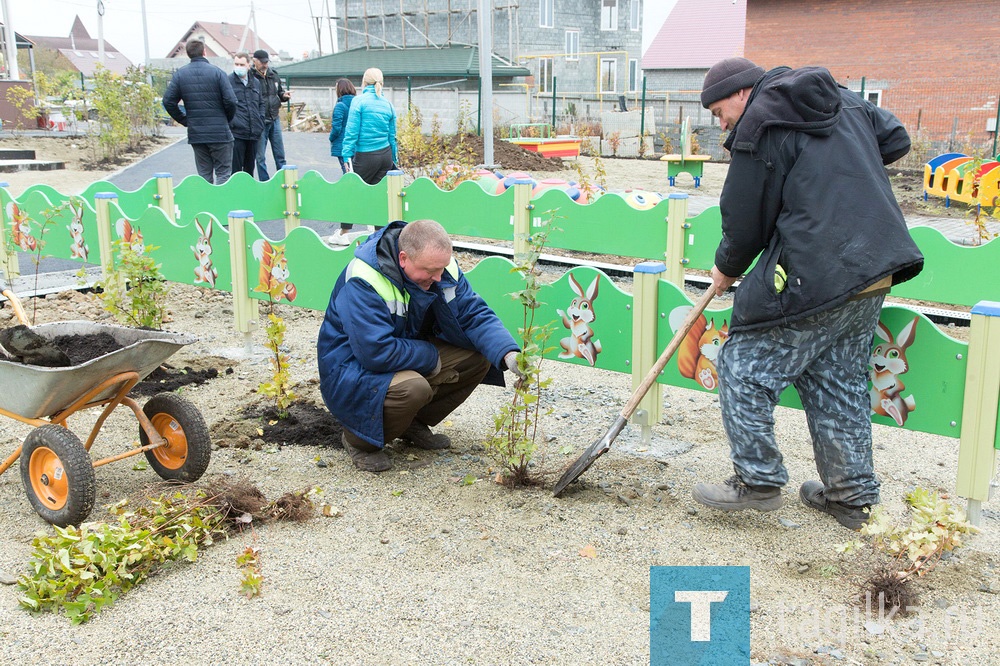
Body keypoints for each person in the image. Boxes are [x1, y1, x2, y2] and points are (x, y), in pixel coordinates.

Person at [690, 57, 924, 530]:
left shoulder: (761, 119)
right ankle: (850, 497)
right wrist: (841, 171)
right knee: (835, 378)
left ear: (742, 92)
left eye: (719, 111)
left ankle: (757, 481)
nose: (722, 123)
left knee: (744, 364)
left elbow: (745, 213)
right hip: (876, 263)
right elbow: (896, 138)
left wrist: (725, 269)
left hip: (819, 269)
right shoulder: (840, 98)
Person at [317, 219, 522, 473]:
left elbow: (472, 314)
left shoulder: (439, 268)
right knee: (413, 388)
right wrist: (430, 356)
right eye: (429, 271)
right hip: (350, 371)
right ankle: (359, 441)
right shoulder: (364, 279)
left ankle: (410, 423)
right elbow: (375, 352)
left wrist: (508, 354)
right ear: (403, 258)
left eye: (442, 269)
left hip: (402, 354)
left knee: (479, 356)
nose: (438, 278)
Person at [162, 39, 238, 185]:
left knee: (204, 175)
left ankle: (207, 205)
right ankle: (221, 205)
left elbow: (168, 101)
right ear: (204, 52)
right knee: (223, 174)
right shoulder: (218, 73)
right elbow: (231, 101)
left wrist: (184, 120)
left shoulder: (180, 75)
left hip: (197, 133)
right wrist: (226, 119)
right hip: (220, 132)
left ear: (188, 54)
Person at [340, 67, 398, 186]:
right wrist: (394, 159)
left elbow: (351, 133)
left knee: (355, 192)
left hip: (366, 156)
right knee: (378, 195)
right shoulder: (388, 104)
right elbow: (392, 136)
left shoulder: (358, 102)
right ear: (382, 83)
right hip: (385, 156)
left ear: (364, 82)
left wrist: (346, 157)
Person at [251, 49, 291, 181]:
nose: (265, 65)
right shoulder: (251, 77)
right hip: (260, 120)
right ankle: (265, 181)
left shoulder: (274, 75)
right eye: (262, 62)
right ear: (254, 61)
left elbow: (279, 92)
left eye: (266, 62)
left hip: (274, 118)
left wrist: (284, 96)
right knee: (260, 156)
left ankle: (284, 179)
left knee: (280, 153)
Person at [327, 78, 357, 247]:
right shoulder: (357, 103)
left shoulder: (340, 105)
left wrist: (331, 138)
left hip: (343, 147)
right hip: (356, 147)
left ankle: (344, 232)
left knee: (348, 182)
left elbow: (336, 127)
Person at [228, 52, 266, 177]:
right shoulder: (228, 82)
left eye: (242, 64)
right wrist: (232, 122)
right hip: (237, 134)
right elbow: (225, 105)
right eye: (236, 64)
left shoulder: (255, 83)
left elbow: (261, 103)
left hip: (253, 133)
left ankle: (249, 195)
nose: (239, 67)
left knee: (250, 170)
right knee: (236, 171)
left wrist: (260, 120)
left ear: (248, 65)